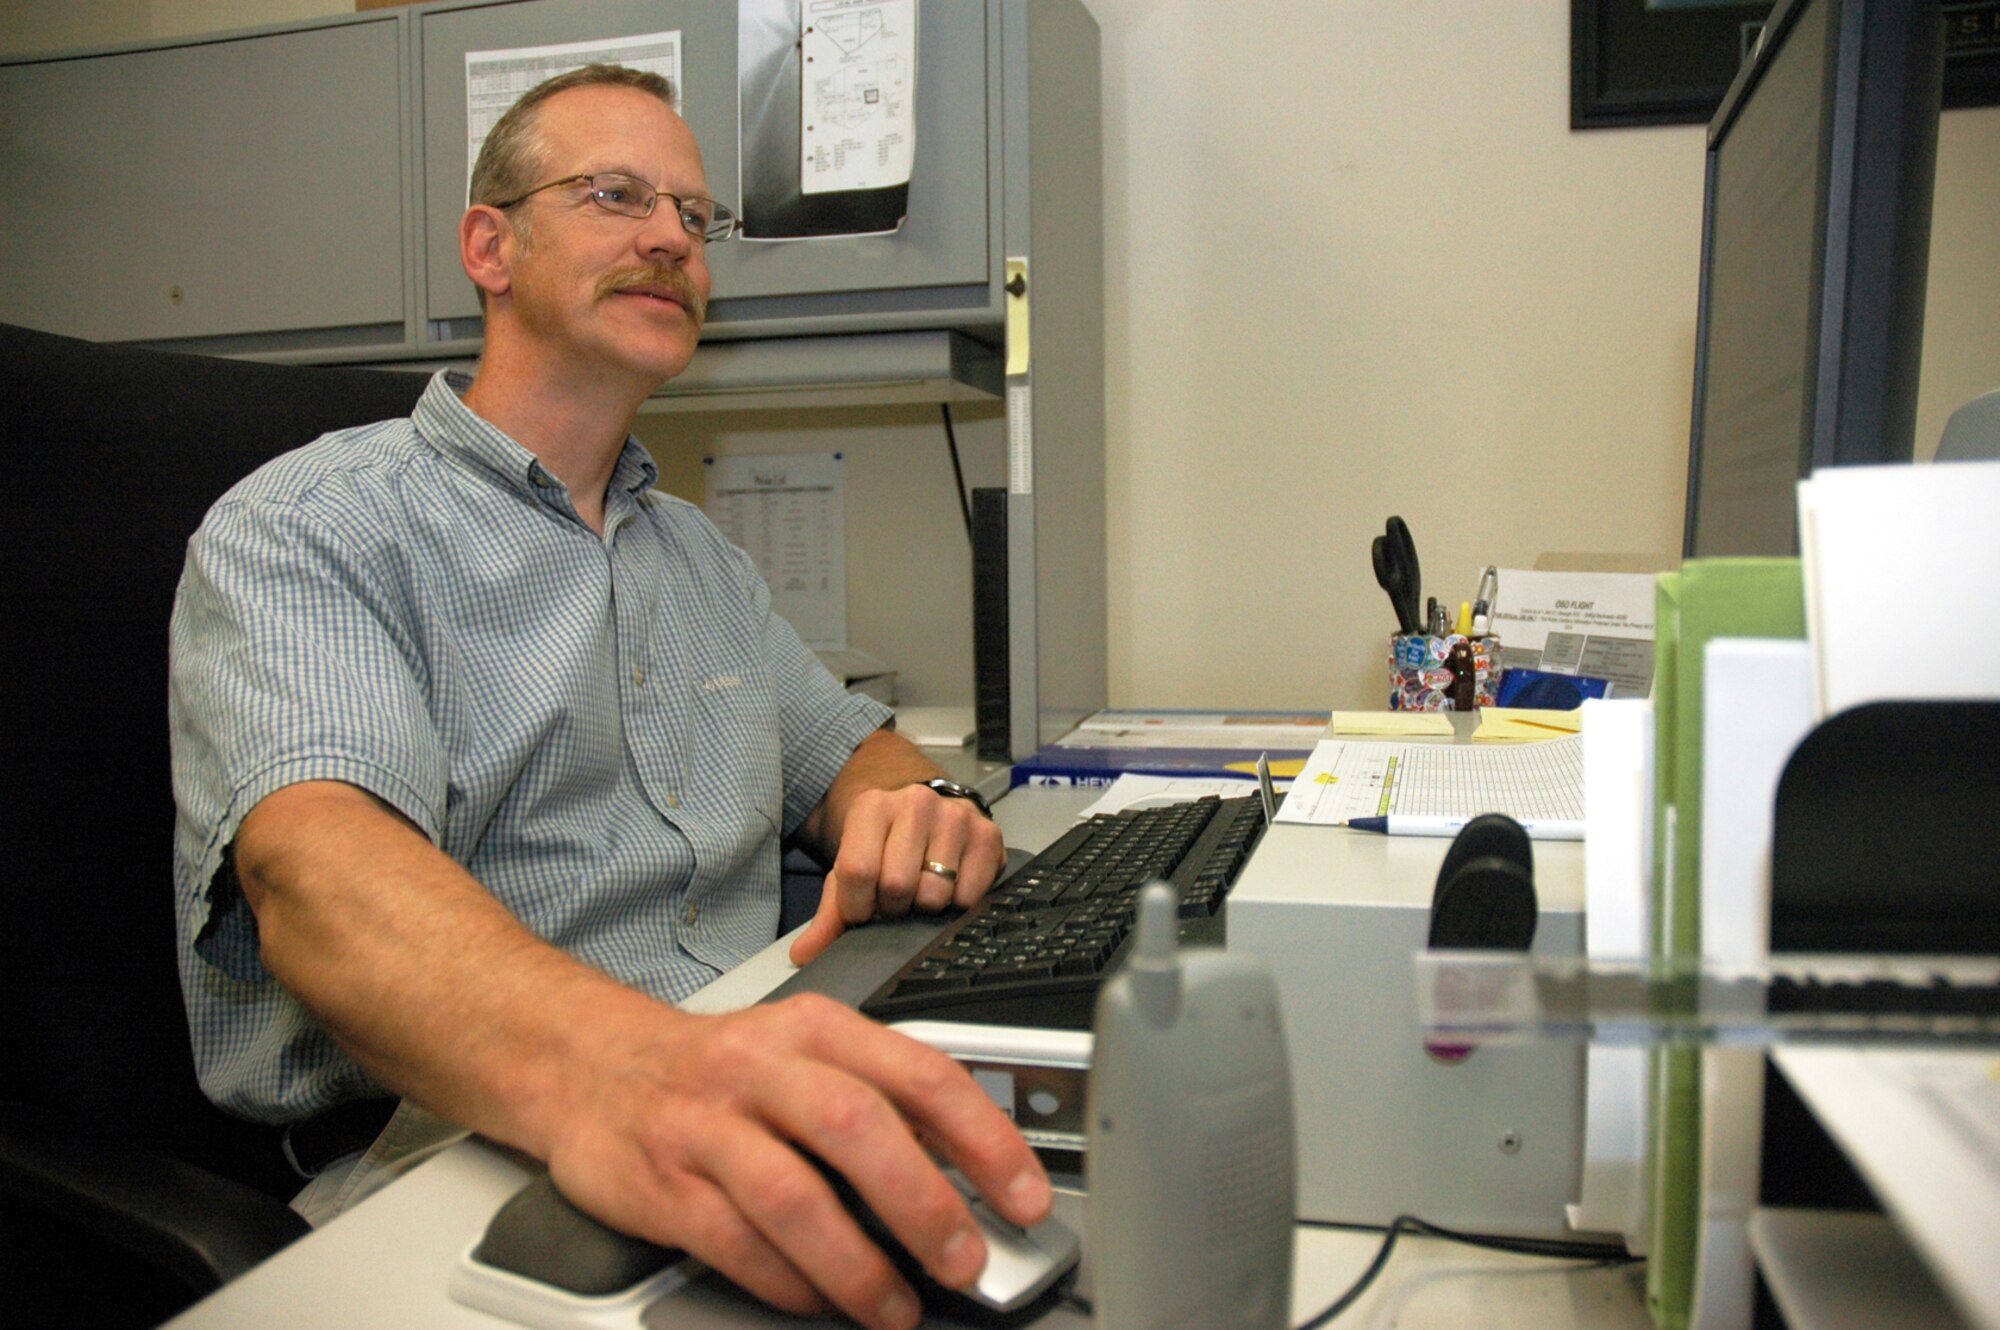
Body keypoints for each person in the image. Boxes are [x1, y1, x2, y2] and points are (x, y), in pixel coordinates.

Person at [168, 63, 1046, 1330]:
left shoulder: (697, 555)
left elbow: (846, 749)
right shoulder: (313, 527)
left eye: (693, 218)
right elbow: (317, 878)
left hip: (732, 1071)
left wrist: (912, 802)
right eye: (616, 195)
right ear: (490, 245)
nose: (667, 240)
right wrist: (643, 1068)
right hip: (461, 1142)